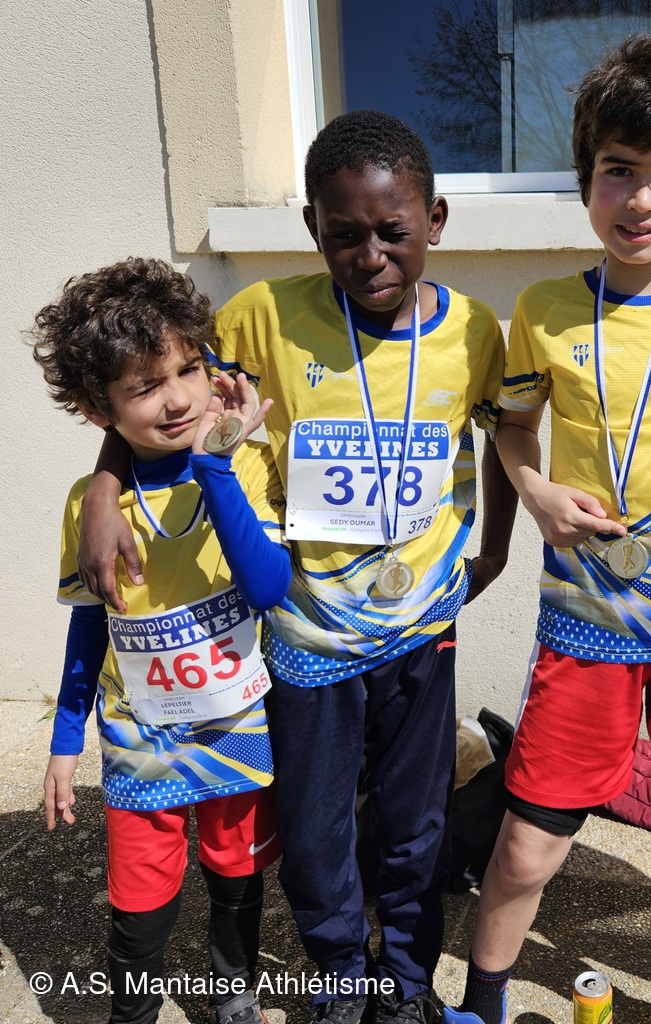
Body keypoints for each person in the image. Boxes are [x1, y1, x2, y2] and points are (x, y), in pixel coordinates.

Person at [77, 111, 517, 1024]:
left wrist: (498, 549)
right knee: (315, 835)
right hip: (307, 637)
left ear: (435, 222)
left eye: (392, 231)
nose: (370, 255)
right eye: (344, 234)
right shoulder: (262, 316)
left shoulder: (475, 330)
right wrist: (105, 486)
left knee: (415, 824)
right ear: (314, 228)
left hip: (420, 627)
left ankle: (404, 984)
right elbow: (161, 398)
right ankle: (339, 979)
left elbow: (506, 438)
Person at [445, 34, 651, 1024]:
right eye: (618, 171)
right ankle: (483, 999)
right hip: (588, 613)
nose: (641, 200)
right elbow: (512, 429)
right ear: (585, 178)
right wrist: (535, 492)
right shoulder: (544, 310)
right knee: (529, 835)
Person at [33, 257, 290, 1024]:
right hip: (141, 736)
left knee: (237, 878)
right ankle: (133, 1009)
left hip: (236, 727)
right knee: (140, 900)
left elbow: (268, 587)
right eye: (145, 386)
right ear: (96, 408)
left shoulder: (247, 464)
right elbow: (90, 624)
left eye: (188, 369)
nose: (177, 398)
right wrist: (65, 741)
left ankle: (233, 990)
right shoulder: (88, 506)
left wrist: (216, 471)